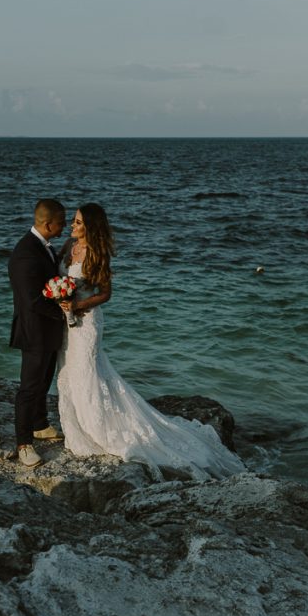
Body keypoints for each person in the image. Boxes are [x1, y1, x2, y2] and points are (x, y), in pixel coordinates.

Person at [56, 203, 245, 481]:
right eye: (73, 221)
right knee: (68, 373)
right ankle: (78, 428)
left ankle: (100, 430)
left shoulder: (97, 253)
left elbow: (106, 293)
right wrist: (59, 297)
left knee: (88, 373)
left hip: (87, 323)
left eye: (79, 222)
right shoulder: (68, 246)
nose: (73, 225)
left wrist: (79, 303)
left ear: (91, 227)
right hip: (66, 324)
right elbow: (58, 277)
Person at [8, 198, 68, 468]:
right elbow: (31, 299)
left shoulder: (44, 247)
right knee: (29, 388)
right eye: (61, 222)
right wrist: (66, 313)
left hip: (48, 329)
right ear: (47, 223)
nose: (64, 226)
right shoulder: (25, 253)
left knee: (44, 380)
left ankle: (40, 424)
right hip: (34, 330)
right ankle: (23, 445)